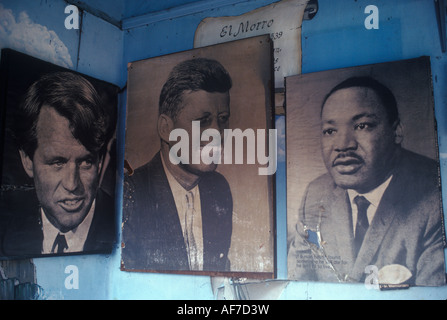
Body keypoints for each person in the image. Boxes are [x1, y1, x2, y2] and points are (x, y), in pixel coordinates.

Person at [287, 76, 445, 286]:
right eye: (330, 131)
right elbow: (297, 284)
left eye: (362, 126)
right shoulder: (316, 193)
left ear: (396, 132)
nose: (343, 145)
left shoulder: (436, 197)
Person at [121, 58, 233, 273]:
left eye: (223, 118)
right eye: (202, 120)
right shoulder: (132, 192)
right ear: (165, 128)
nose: (217, 133)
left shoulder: (219, 189)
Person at [0, 72, 116, 257]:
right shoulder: (7, 231)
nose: (72, 184)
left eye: (86, 162)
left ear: (100, 161)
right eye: (57, 163)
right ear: (27, 160)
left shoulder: (126, 227)